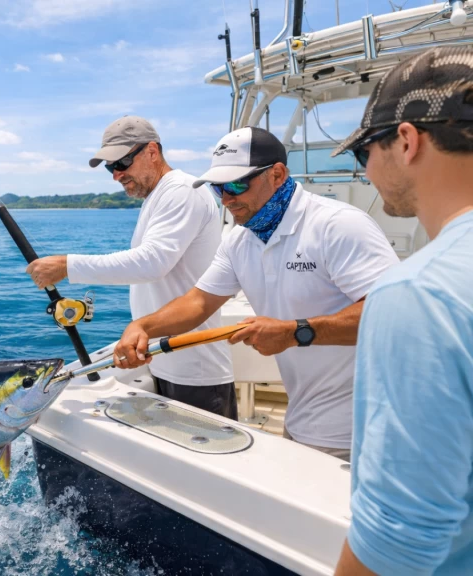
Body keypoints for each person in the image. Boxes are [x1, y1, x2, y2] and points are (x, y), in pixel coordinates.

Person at [114, 126, 399, 461]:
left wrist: (295, 332)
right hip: (303, 420)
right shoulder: (239, 240)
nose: (227, 198)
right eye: (218, 188)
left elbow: (392, 314)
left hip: (368, 428)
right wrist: (144, 327)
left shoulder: (336, 225)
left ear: (277, 174)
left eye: (236, 184)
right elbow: (199, 301)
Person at [330, 46, 473, 576]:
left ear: (407, 141)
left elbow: (401, 536)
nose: (365, 169)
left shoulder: (418, 292)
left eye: (363, 151)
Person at [25, 116, 236, 418]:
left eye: (122, 163)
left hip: (195, 369)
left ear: (152, 151)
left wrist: (67, 266)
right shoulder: (158, 196)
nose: (116, 175)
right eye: (111, 167)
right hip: (164, 359)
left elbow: (152, 263)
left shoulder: (181, 190)